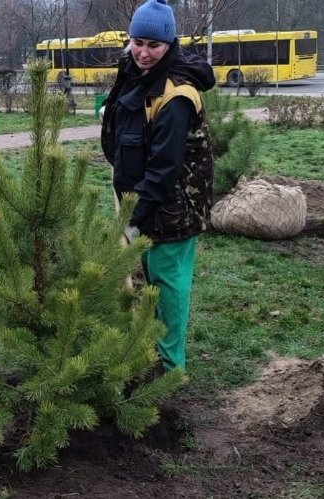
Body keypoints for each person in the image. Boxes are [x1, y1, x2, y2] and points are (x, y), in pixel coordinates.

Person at [101, 0, 216, 374]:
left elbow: (164, 169)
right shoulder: (135, 72)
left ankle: (170, 367)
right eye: (137, 42)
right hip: (145, 202)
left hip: (174, 207)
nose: (143, 52)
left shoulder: (177, 95)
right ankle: (153, 349)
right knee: (151, 276)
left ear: (169, 45)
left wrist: (133, 220)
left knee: (168, 287)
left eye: (153, 45)